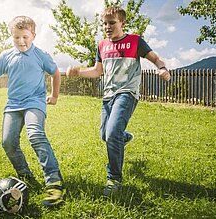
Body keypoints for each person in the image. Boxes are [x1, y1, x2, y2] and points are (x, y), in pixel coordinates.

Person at [66, 6, 171, 196]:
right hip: (108, 96)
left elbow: (155, 57)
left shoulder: (135, 41)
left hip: (127, 93)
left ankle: (114, 178)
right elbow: (98, 71)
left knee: (112, 131)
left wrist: (162, 68)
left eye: (112, 23)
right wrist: (78, 72)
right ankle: (124, 137)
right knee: (106, 136)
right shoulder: (102, 45)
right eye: (104, 23)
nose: (107, 27)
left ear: (122, 23)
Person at [0, 16, 64, 207]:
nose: (21, 41)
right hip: (13, 105)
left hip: (35, 102)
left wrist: (54, 96)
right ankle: (25, 174)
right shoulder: (6, 56)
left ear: (33, 35)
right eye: (16, 37)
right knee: (8, 142)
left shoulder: (41, 55)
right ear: (12, 36)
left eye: (25, 37)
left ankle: (54, 181)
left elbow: (55, 72)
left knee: (35, 134)